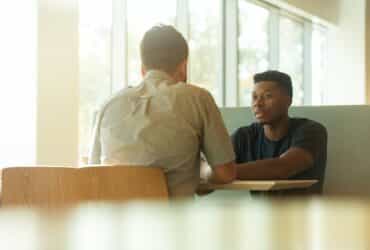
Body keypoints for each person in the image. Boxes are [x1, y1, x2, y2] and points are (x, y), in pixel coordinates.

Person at [88, 25, 236, 199]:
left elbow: (92, 173)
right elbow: (225, 173)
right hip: (173, 222)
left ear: (143, 68)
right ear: (183, 66)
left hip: (114, 223)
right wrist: (203, 172)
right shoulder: (197, 98)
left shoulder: (109, 104)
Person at [232, 70, 327, 194]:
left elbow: (282, 168)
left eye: (267, 96)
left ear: (288, 100)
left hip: (303, 212)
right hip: (258, 212)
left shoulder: (312, 131)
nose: (258, 103)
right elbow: (210, 164)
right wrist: (213, 170)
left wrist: (223, 172)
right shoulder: (244, 136)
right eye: (254, 97)